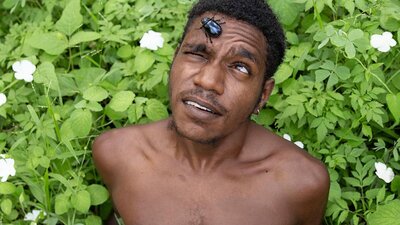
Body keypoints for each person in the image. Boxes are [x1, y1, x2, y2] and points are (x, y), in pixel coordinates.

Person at [92, 0, 330, 224]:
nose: (207, 81)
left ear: (263, 94)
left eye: (240, 67)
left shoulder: (301, 184)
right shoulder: (117, 154)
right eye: (197, 54)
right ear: (174, 59)